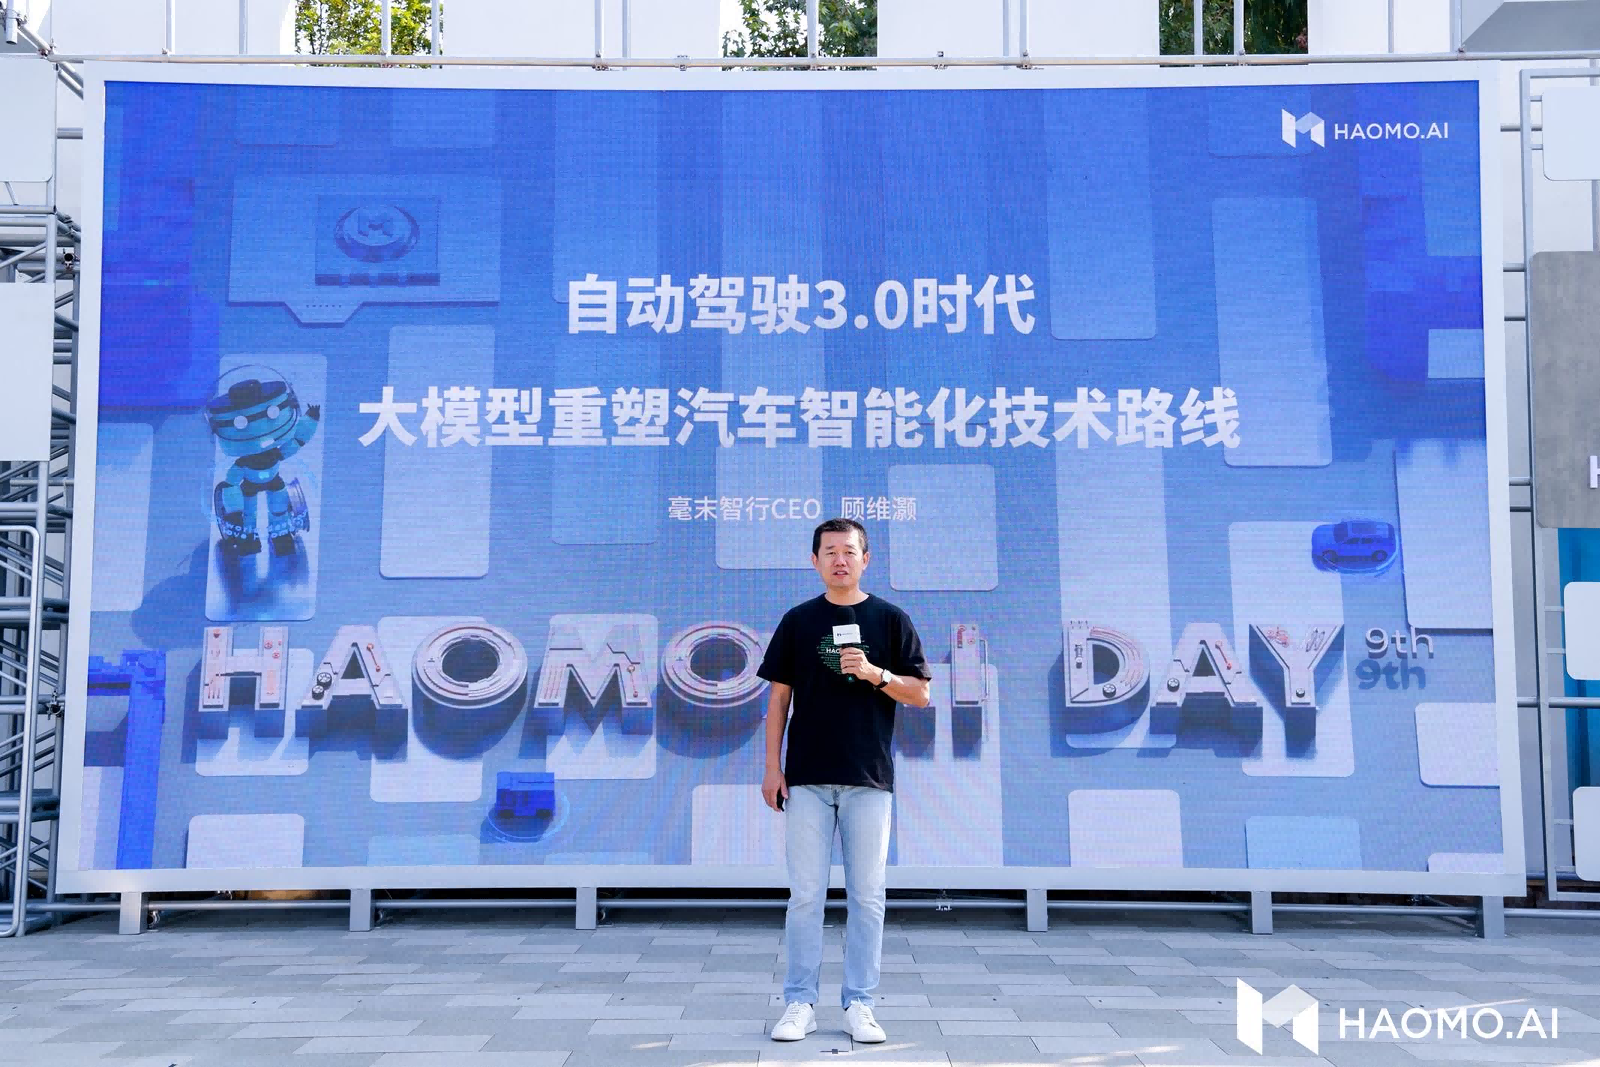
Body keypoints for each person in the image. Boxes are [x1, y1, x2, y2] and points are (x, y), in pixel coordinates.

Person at [757, 517, 932, 1044]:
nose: (840, 559)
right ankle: (799, 1002)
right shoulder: (798, 621)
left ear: (865, 559)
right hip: (807, 777)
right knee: (806, 896)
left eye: (849, 551)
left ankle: (860, 1003)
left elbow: (920, 694)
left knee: (868, 896)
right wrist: (772, 767)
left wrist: (876, 674)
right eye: (830, 551)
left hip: (868, 777)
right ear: (814, 561)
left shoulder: (891, 619)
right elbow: (778, 701)